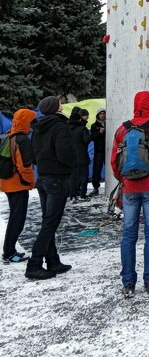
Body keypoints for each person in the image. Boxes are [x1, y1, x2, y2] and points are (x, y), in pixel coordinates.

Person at [110, 90, 149, 297]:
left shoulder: (122, 129)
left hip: (129, 187)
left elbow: (114, 161)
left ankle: (128, 283)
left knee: (128, 235)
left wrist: (123, 179)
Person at [27, 96, 76, 280]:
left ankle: (52, 260)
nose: (62, 106)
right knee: (50, 223)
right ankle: (34, 264)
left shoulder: (38, 127)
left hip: (44, 177)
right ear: (55, 108)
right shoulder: (59, 126)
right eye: (59, 104)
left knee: (48, 221)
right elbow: (65, 153)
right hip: (57, 178)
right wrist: (71, 166)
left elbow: (32, 154)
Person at [1, 108, 37, 264]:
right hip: (18, 184)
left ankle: (10, 250)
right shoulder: (22, 139)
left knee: (15, 217)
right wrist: (30, 182)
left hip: (7, 182)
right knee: (17, 219)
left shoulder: (8, 135)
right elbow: (24, 166)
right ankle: (9, 252)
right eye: (32, 120)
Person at [69, 107, 91, 201]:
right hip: (82, 155)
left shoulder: (66, 128)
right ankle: (83, 194)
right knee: (84, 176)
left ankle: (72, 194)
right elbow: (87, 140)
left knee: (73, 176)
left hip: (71, 156)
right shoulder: (82, 129)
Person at [90, 109, 106, 196]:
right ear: (97, 115)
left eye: (104, 114)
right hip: (99, 151)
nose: (102, 116)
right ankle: (95, 187)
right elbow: (93, 138)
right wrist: (99, 133)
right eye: (101, 114)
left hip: (107, 150)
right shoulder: (94, 126)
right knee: (96, 169)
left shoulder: (109, 124)